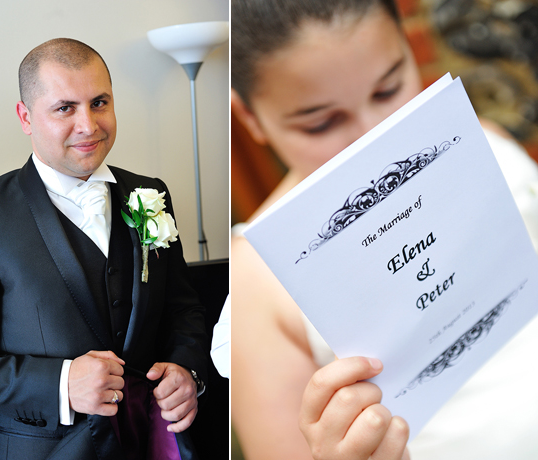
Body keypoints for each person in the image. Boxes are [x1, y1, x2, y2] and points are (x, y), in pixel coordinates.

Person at [230, 1, 538, 459]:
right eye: (322, 122)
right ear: (250, 117)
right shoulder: (254, 280)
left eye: (389, 89)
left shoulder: (484, 138)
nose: (377, 135)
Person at [0, 38, 209, 460]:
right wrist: (62, 383)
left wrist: (188, 369)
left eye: (99, 102)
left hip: (150, 442)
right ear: (26, 117)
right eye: (64, 108)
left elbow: (182, 308)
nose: (89, 125)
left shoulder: (150, 192)